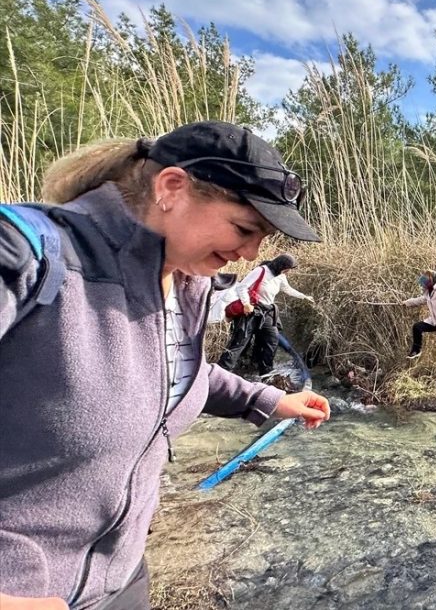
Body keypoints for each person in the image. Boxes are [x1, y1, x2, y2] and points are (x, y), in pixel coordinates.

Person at [0, 121, 332, 610]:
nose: (249, 253)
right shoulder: (25, 255)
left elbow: (172, 375)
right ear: (171, 187)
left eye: (260, 239)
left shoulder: (185, 281)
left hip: (121, 578)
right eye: (243, 229)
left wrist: (269, 400)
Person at [218, 252, 314, 377]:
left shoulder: (280, 276)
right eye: (287, 269)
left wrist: (304, 297)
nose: (288, 272)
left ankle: (266, 373)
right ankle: (221, 373)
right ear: (281, 265)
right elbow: (241, 287)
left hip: (268, 312)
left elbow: (287, 289)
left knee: (271, 340)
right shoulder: (261, 271)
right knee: (239, 343)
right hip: (251, 311)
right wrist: (246, 304)